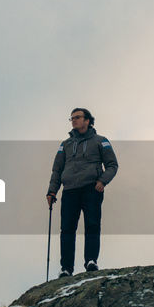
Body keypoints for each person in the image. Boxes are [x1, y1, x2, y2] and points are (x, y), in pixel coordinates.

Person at [46, 108, 118, 277]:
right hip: (70, 190)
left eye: (77, 117)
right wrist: (52, 191)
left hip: (91, 188)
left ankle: (91, 260)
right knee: (67, 229)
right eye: (71, 118)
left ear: (87, 120)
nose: (74, 121)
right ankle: (66, 268)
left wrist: (102, 181)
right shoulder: (65, 145)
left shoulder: (101, 141)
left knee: (92, 225)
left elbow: (112, 165)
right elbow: (57, 170)